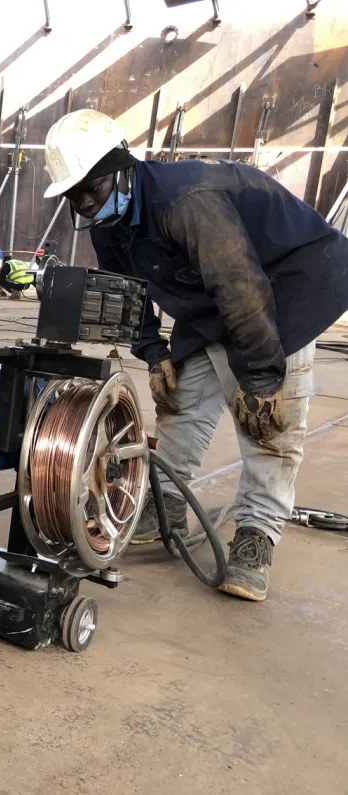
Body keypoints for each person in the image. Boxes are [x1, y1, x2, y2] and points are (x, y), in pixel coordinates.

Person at [42, 108, 348, 602]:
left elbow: (241, 286)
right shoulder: (109, 219)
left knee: (266, 423)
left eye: (90, 190)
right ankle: (166, 507)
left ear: (121, 167)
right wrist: (152, 350)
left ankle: (256, 535)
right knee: (178, 399)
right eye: (73, 197)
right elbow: (129, 289)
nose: (84, 206)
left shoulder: (188, 199)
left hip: (286, 287)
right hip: (209, 294)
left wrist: (262, 380)